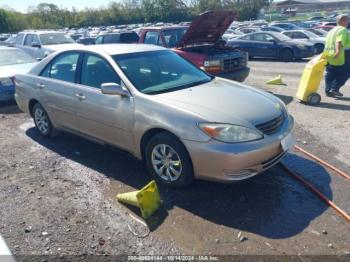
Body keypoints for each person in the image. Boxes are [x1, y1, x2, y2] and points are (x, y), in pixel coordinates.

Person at [324, 14, 349, 97]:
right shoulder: (343, 30)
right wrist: (338, 51)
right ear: (342, 21)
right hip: (341, 54)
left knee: (331, 73)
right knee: (346, 72)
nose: (348, 22)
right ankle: (334, 89)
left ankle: (328, 90)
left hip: (329, 55)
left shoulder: (332, 30)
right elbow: (339, 41)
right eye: (346, 20)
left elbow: (327, 42)